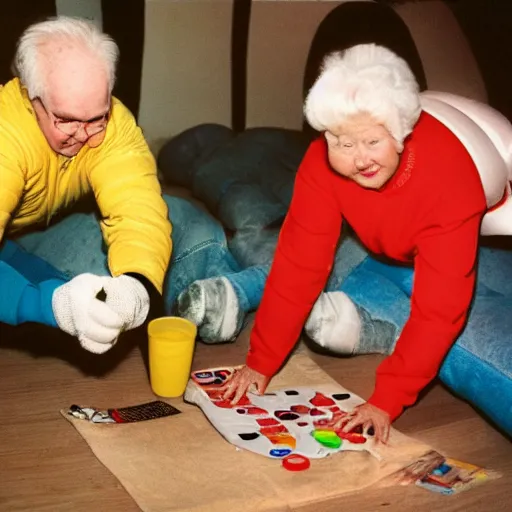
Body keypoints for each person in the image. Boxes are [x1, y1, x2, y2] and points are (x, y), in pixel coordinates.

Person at [164, 44, 512, 441]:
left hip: (493, 160)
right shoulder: (320, 161)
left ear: (399, 136)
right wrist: (260, 362)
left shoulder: (448, 186)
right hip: (419, 167)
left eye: (371, 143)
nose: (359, 159)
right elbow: (298, 264)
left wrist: (386, 399)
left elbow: (440, 311)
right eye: (344, 144)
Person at [0, 16, 242, 355]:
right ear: (30, 97)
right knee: (78, 298)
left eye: (96, 118)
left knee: (179, 219)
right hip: (14, 241)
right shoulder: (5, 132)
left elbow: (137, 207)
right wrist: (48, 304)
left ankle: (225, 288)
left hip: (46, 226)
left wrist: (136, 284)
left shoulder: (116, 124)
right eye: (66, 119)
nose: (83, 134)